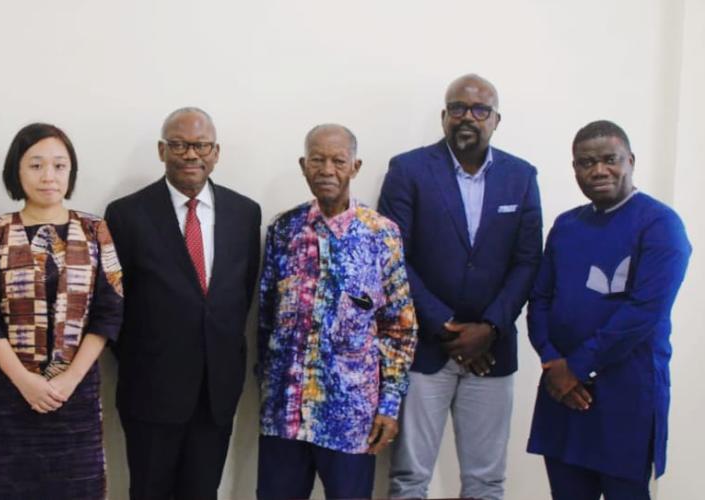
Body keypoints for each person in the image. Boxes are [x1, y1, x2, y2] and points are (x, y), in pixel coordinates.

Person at [379, 74, 543, 500]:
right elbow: (394, 257)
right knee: (409, 478)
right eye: (458, 108)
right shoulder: (408, 170)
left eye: (479, 110)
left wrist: (490, 327)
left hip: (492, 352)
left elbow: (528, 262)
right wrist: (446, 326)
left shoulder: (521, 176)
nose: (467, 117)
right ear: (443, 116)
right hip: (425, 349)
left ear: (496, 120)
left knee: (486, 482)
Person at [526, 121, 691, 500]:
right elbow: (540, 300)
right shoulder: (566, 226)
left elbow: (643, 313)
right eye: (586, 162)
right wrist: (553, 363)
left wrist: (577, 368)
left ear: (630, 161)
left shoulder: (660, 225)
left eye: (609, 160)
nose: (598, 170)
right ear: (575, 169)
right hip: (561, 391)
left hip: (626, 393)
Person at [104, 107, 262, 500]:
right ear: (162, 150)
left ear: (216, 152)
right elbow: (112, 303)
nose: (191, 154)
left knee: (202, 492)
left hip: (216, 391)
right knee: (149, 491)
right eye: (179, 145)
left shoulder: (245, 213)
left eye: (200, 145)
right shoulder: (126, 214)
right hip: (150, 390)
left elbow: (240, 294)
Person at [256, 125, 417, 499]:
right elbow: (265, 317)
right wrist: (268, 384)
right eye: (317, 159)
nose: (327, 169)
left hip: (350, 419)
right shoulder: (284, 230)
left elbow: (400, 328)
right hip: (285, 415)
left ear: (355, 167)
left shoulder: (382, 234)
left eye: (338, 160)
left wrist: (389, 405)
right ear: (303, 165)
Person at [0, 123, 123, 499]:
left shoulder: (95, 230)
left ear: (71, 172)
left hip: (76, 399)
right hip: (5, 398)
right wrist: (25, 381)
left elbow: (109, 310)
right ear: (16, 172)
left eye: (59, 165)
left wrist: (69, 380)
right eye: (35, 165)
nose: (48, 176)